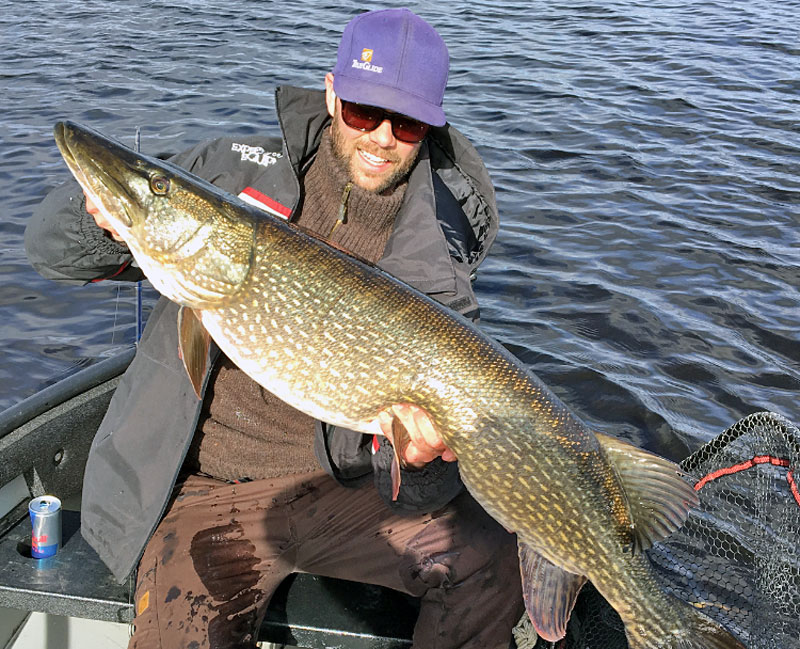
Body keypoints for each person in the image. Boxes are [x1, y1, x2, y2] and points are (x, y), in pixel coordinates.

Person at [26, 8, 524, 649]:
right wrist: (100, 218)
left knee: (493, 556)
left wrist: (421, 459)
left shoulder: (436, 271)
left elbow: (420, 485)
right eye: (362, 113)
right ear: (331, 93)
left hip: (343, 495)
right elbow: (51, 253)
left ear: (430, 126)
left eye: (405, 123)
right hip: (207, 495)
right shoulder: (230, 176)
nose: (380, 138)